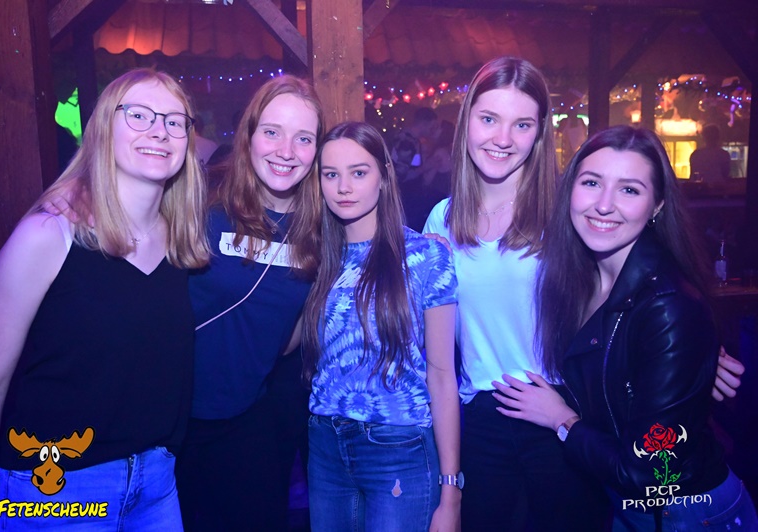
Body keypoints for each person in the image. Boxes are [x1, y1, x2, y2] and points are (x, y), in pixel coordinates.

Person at [422, 56, 745, 531]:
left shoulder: (572, 209)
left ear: (539, 133)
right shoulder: (443, 220)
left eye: (522, 124)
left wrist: (692, 355)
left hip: (565, 408)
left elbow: (631, 289)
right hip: (483, 419)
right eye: (489, 119)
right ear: (466, 120)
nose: (503, 138)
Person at [0, 68, 210, 530]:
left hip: (155, 486)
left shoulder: (180, 242)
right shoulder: (47, 236)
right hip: (57, 489)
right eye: (139, 115)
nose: (159, 130)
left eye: (175, 121)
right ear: (102, 129)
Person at [494, 125, 758, 530]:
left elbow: (649, 472)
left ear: (657, 206)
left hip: (688, 514)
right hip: (628, 508)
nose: (604, 205)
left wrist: (561, 420)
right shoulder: (579, 279)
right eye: (591, 183)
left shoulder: (667, 306)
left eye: (629, 190)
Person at [175, 75, 323, 531]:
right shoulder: (199, 203)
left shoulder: (319, 228)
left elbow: (291, 334)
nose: (286, 151)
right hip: (169, 418)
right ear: (250, 135)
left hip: (246, 416)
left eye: (304, 139)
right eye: (273, 132)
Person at [303, 122, 460, 531]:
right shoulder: (315, 258)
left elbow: (443, 376)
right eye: (330, 174)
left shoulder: (426, 257)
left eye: (358, 172)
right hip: (324, 444)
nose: (343, 187)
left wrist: (451, 490)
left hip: (398, 448)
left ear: (384, 176)